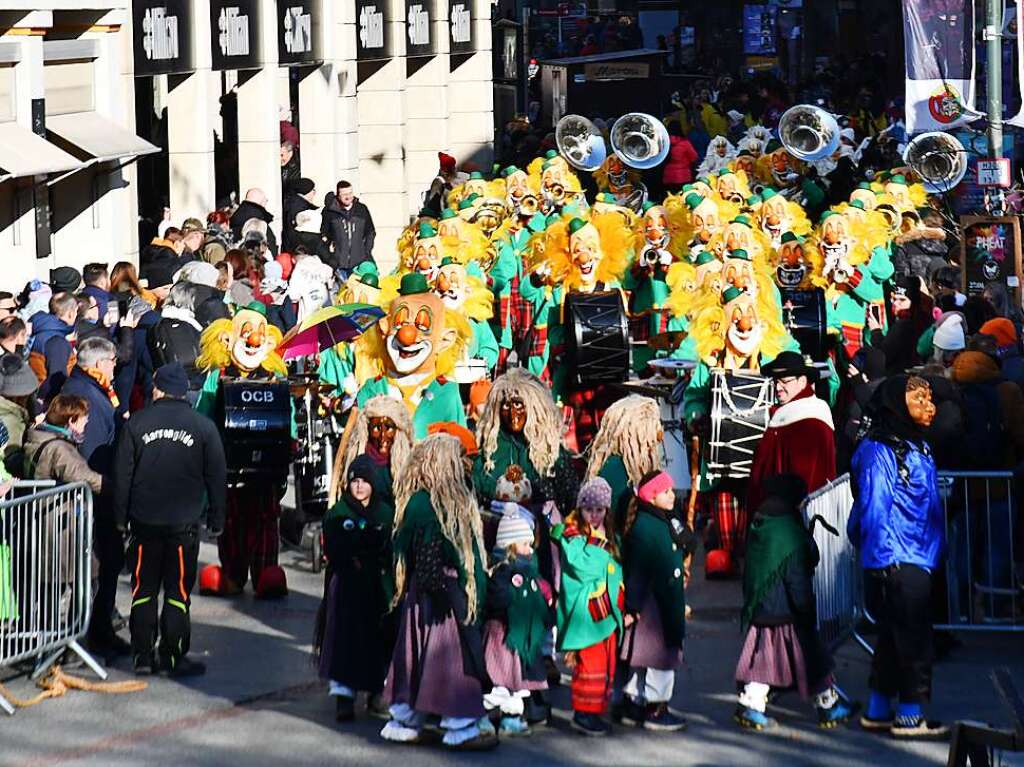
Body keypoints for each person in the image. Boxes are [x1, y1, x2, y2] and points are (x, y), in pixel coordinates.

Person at [380, 434, 496, 750]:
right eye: (457, 459)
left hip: (423, 595)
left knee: (415, 655)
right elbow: (429, 546)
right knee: (450, 659)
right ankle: (460, 725)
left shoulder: (427, 499)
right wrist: (440, 583)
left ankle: (406, 718)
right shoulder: (436, 503)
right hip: (443, 593)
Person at [848, 375, 948, 739]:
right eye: (917, 399)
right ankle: (910, 713)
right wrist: (879, 561)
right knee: (914, 640)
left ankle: (878, 708)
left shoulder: (913, 444)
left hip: (917, 552)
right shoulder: (881, 451)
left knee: (893, 637)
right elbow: (875, 508)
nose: (928, 407)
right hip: (897, 555)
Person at [113, 363, 226, 676]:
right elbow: (217, 476)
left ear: (157, 389)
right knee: (178, 592)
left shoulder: (136, 424)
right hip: (182, 526)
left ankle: (142, 655)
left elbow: (122, 475)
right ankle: (173, 656)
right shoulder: (203, 427)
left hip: (143, 523)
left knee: (143, 589)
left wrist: (120, 519)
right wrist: (217, 519)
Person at [734, 474, 856, 731]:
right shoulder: (788, 533)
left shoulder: (762, 524)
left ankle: (752, 703)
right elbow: (797, 578)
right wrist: (807, 609)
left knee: (765, 662)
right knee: (813, 659)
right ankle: (827, 706)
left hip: (764, 608)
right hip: (787, 612)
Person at [319, 455, 397, 721]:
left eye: (365, 481)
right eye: (355, 481)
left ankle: (376, 692)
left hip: (376, 587)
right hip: (347, 587)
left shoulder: (385, 513)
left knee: (377, 640)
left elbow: (389, 548)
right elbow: (334, 547)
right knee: (345, 640)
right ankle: (344, 696)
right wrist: (355, 549)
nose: (360, 486)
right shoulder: (338, 513)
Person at [60, 336, 124, 657]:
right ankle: (95, 631)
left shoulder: (85, 388)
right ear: (99, 364)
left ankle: (87, 630)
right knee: (100, 565)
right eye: (112, 362)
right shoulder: (89, 397)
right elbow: (94, 454)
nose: (115, 368)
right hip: (94, 498)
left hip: (91, 498)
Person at [617, 470, 692, 732]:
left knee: (642, 657)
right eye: (666, 492)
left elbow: (685, 541)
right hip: (655, 606)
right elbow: (638, 570)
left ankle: (633, 702)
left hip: (657, 602)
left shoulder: (662, 519)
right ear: (652, 496)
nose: (672, 495)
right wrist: (633, 606)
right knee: (660, 657)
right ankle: (656, 709)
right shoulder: (646, 528)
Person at [553, 477, 625, 736]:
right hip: (587, 612)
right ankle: (583, 711)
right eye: (589, 509)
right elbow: (583, 566)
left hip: (606, 612)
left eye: (599, 510)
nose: (594, 515)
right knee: (590, 664)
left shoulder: (610, 535)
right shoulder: (573, 535)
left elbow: (616, 571)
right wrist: (603, 547)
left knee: (605, 663)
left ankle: (596, 709)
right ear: (580, 509)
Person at [481, 504, 553, 737]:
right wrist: (514, 600)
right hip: (503, 635)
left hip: (522, 636)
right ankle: (483, 714)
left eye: (530, 544)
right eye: (525, 544)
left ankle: (511, 717)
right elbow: (498, 598)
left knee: (516, 681)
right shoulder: (503, 571)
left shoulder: (528, 572)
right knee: (500, 680)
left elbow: (536, 600)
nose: (529, 550)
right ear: (510, 545)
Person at [747, 351, 836, 512]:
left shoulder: (807, 420)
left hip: (791, 516)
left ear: (802, 382)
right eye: (775, 381)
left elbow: (803, 481)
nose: (777, 387)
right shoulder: (799, 411)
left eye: (784, 381)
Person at [22, 394, 103, 495]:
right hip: (57, 507)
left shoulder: (39, 436)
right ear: (72, 421)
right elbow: (81, 475)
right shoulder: (60, 448)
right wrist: (110, 486)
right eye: (84, 418)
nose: (87, 421)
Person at [28, 292, 78, 402]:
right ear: (70, 313)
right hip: (47, 402)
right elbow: (57, 381)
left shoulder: (40, 330)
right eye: (76, 311)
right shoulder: (57, 342)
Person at [321, 180, 376, 278]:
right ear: (338, 195)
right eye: (344, 194)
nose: (348, 197)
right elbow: (324, 234)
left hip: (359, 263)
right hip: (338, 264)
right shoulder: (329, 212)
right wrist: (330, 256)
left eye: (350, 193)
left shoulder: (361, 209)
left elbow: (370, 232)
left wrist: (366, 252)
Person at [230, 188, 278, 256]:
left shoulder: (236, 217)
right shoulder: (260, 222)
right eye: (265, 201)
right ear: (261, 202)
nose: (266, 204)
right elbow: (271, 247)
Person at [662, 121, 697, 190]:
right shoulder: (685, 143)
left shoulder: (664, 143)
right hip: (683, 177)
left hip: (668, 177)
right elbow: (694, 157)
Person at [423, 152, 457, 217]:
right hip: (441, 216)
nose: (455, 169)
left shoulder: (449, 181)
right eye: (453, 167)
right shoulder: (438, 181)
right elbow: (432, 202)